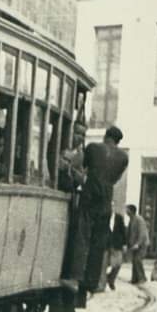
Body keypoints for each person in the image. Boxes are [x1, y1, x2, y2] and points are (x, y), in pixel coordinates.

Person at [62, 126, 129, 294]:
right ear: (118, 141)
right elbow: (115, 179)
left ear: (106, 136)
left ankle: (75, 277)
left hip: (90, 196)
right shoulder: (123, 157)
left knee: (82, 236)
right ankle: (91, 282)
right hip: (106, 200)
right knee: (98, 241)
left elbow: (79, 166)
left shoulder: (93, 148)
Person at [105, 205, 128, 290]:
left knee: (117, 264)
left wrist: (124, 244)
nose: (111, 208)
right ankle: (102, 281)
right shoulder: (104, 216)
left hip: (117, 244)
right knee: (105, 263)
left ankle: (111, 279)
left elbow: (123, 231)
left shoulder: (119, 218)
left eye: (112, 206)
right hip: (106, 244)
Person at [126, 204, 149, 283]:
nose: (126, 211)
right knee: (134, 261)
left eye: (127, 209)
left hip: (141, 244)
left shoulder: (139, 219)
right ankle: (135, 278)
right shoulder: (131, 219)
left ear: (131, 211)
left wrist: (138, 244)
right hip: (134, 244)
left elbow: (142, 232)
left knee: (138, 260)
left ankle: (142, 278)